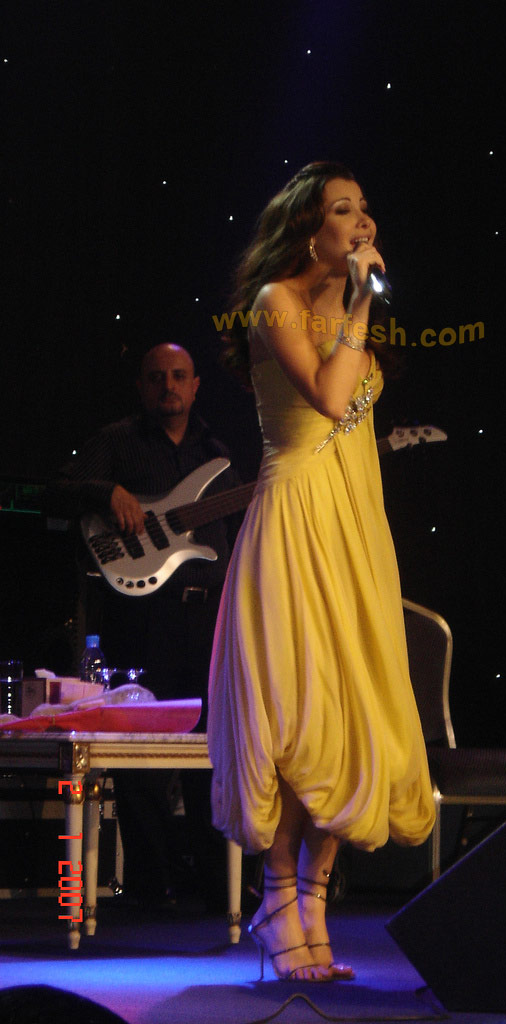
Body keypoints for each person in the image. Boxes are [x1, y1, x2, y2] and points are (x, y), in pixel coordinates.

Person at [208, 162, 435, 982]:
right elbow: (333, 401)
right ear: (311, 230)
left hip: (352, 521)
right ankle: (276, 901)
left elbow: (357, 424)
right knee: (298, 708)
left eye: (365, 208)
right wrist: (362, 301)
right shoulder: (277, 300)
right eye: (344, 210)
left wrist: (356, 304)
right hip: (295, 516)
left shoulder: (347, 312)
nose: (362, 221)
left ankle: (314, 899)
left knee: (352, 710)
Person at [46, 343, 240, 910]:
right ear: (141, 386)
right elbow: (58, 489)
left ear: (196, 385)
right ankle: (150, 887)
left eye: (178, 376)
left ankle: (216, 884)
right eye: (156, 377)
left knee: (213, 749)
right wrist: (107, 491)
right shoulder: (117, 441)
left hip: (208, 617)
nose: (168, 386)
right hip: (143, 617)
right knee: (140, 754)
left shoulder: (216, 453)